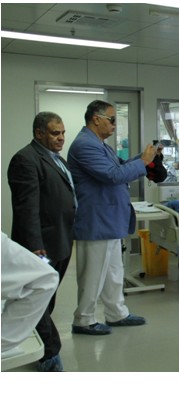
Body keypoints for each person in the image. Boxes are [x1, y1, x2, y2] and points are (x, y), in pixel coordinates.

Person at [67, 100, 157, 335]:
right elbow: (112, 175)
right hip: (96, 220)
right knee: (92, 274)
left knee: (113, 271)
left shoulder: (100, 145)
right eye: (112, 119)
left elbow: (120, 166)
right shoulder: (85, 145)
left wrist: (144, 157)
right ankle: (83, 320)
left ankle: (117, 313)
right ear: (96, 119)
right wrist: (143, 162)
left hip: (109, 218)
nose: (115, 125)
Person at [7, 111, 75, 372]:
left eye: (63, 133)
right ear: (39, 133)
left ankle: (38, 340)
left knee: (48, 297)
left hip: (61, 239)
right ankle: (50, 354)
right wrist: (35, 247)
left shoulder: (56, 159)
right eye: (55, 133)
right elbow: (27, 208)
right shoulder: (25, 160)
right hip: (42, 245)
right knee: (38, 300)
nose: (61, 138)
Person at [1, 232, 59, 361]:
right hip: (46, 238)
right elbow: (45, 280)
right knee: (44, 279)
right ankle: (49, 356)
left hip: (58, 239)